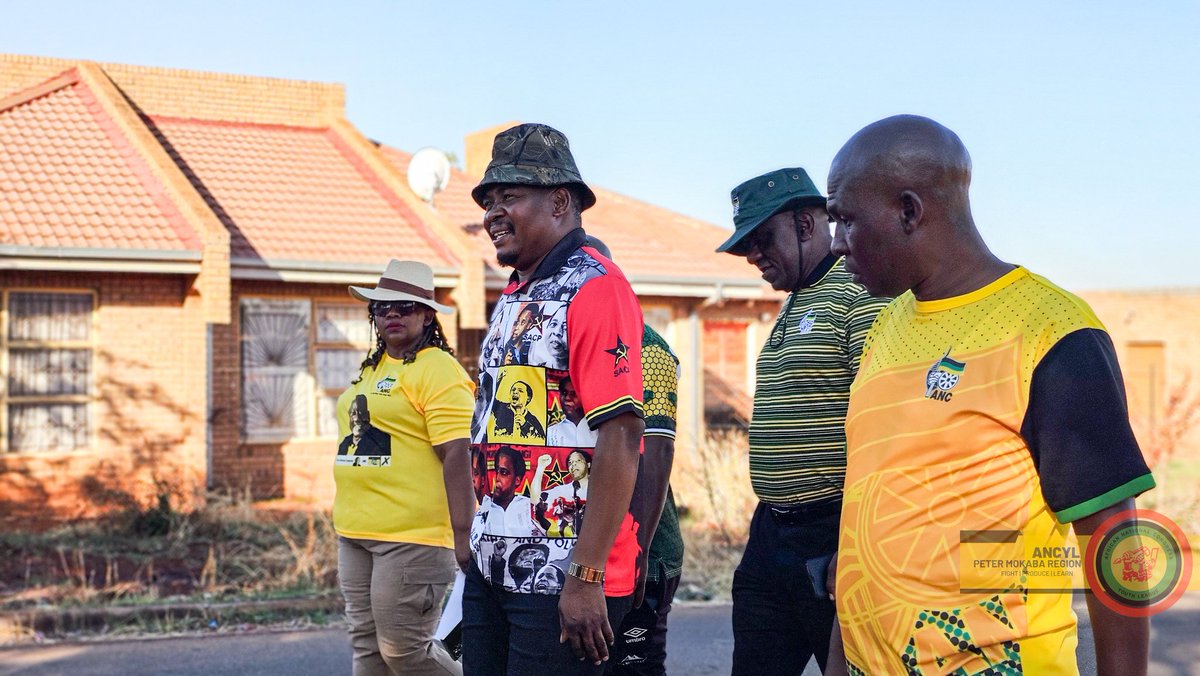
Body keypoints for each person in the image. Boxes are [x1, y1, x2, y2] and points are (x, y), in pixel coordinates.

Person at [824, 115, 1156, 674]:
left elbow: (1111, 537)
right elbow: (868, 522)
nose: (835, 245)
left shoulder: (1050, 331)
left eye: (846, 220)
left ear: (910, 210)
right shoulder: (885, 327)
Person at [462, 123, 646, 676]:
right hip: (495, 569)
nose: (493, 212)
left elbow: (623, 434)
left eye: (509, 196)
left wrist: (585, 576)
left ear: (560, 202)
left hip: (560, 580)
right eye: (489, 200)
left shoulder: (594, 286)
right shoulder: (517, 291)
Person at [715, 168, 890, 674]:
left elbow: (879, 427)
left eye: (762, 239)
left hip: (832, 531)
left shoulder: (860, 294)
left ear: (806, 224)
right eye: (745, 246)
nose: (753, 256)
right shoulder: (795, 302)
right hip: (771, 531)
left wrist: (852, 542)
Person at [333, 259, 476, 676]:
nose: (392, 314)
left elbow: (457, 453)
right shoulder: (373, 367)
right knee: (367, 650)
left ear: (428, 315)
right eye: (383, 308)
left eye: (405, 306)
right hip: (355, 533)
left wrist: (463, 533)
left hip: (411, 539)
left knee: (406, 654)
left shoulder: (437, 369)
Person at [582, 236, 684, 676]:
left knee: (633, 668)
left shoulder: (647, 345)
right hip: (591, 546)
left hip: (642, 549)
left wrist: (638, 551)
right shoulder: (570, 336)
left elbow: (656, 452)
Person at [338, 394, 392, 459]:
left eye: (361, 413)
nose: (357, 419)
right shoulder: (344, 444)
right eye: (353, 414)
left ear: (368, 416)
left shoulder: (383, 441)